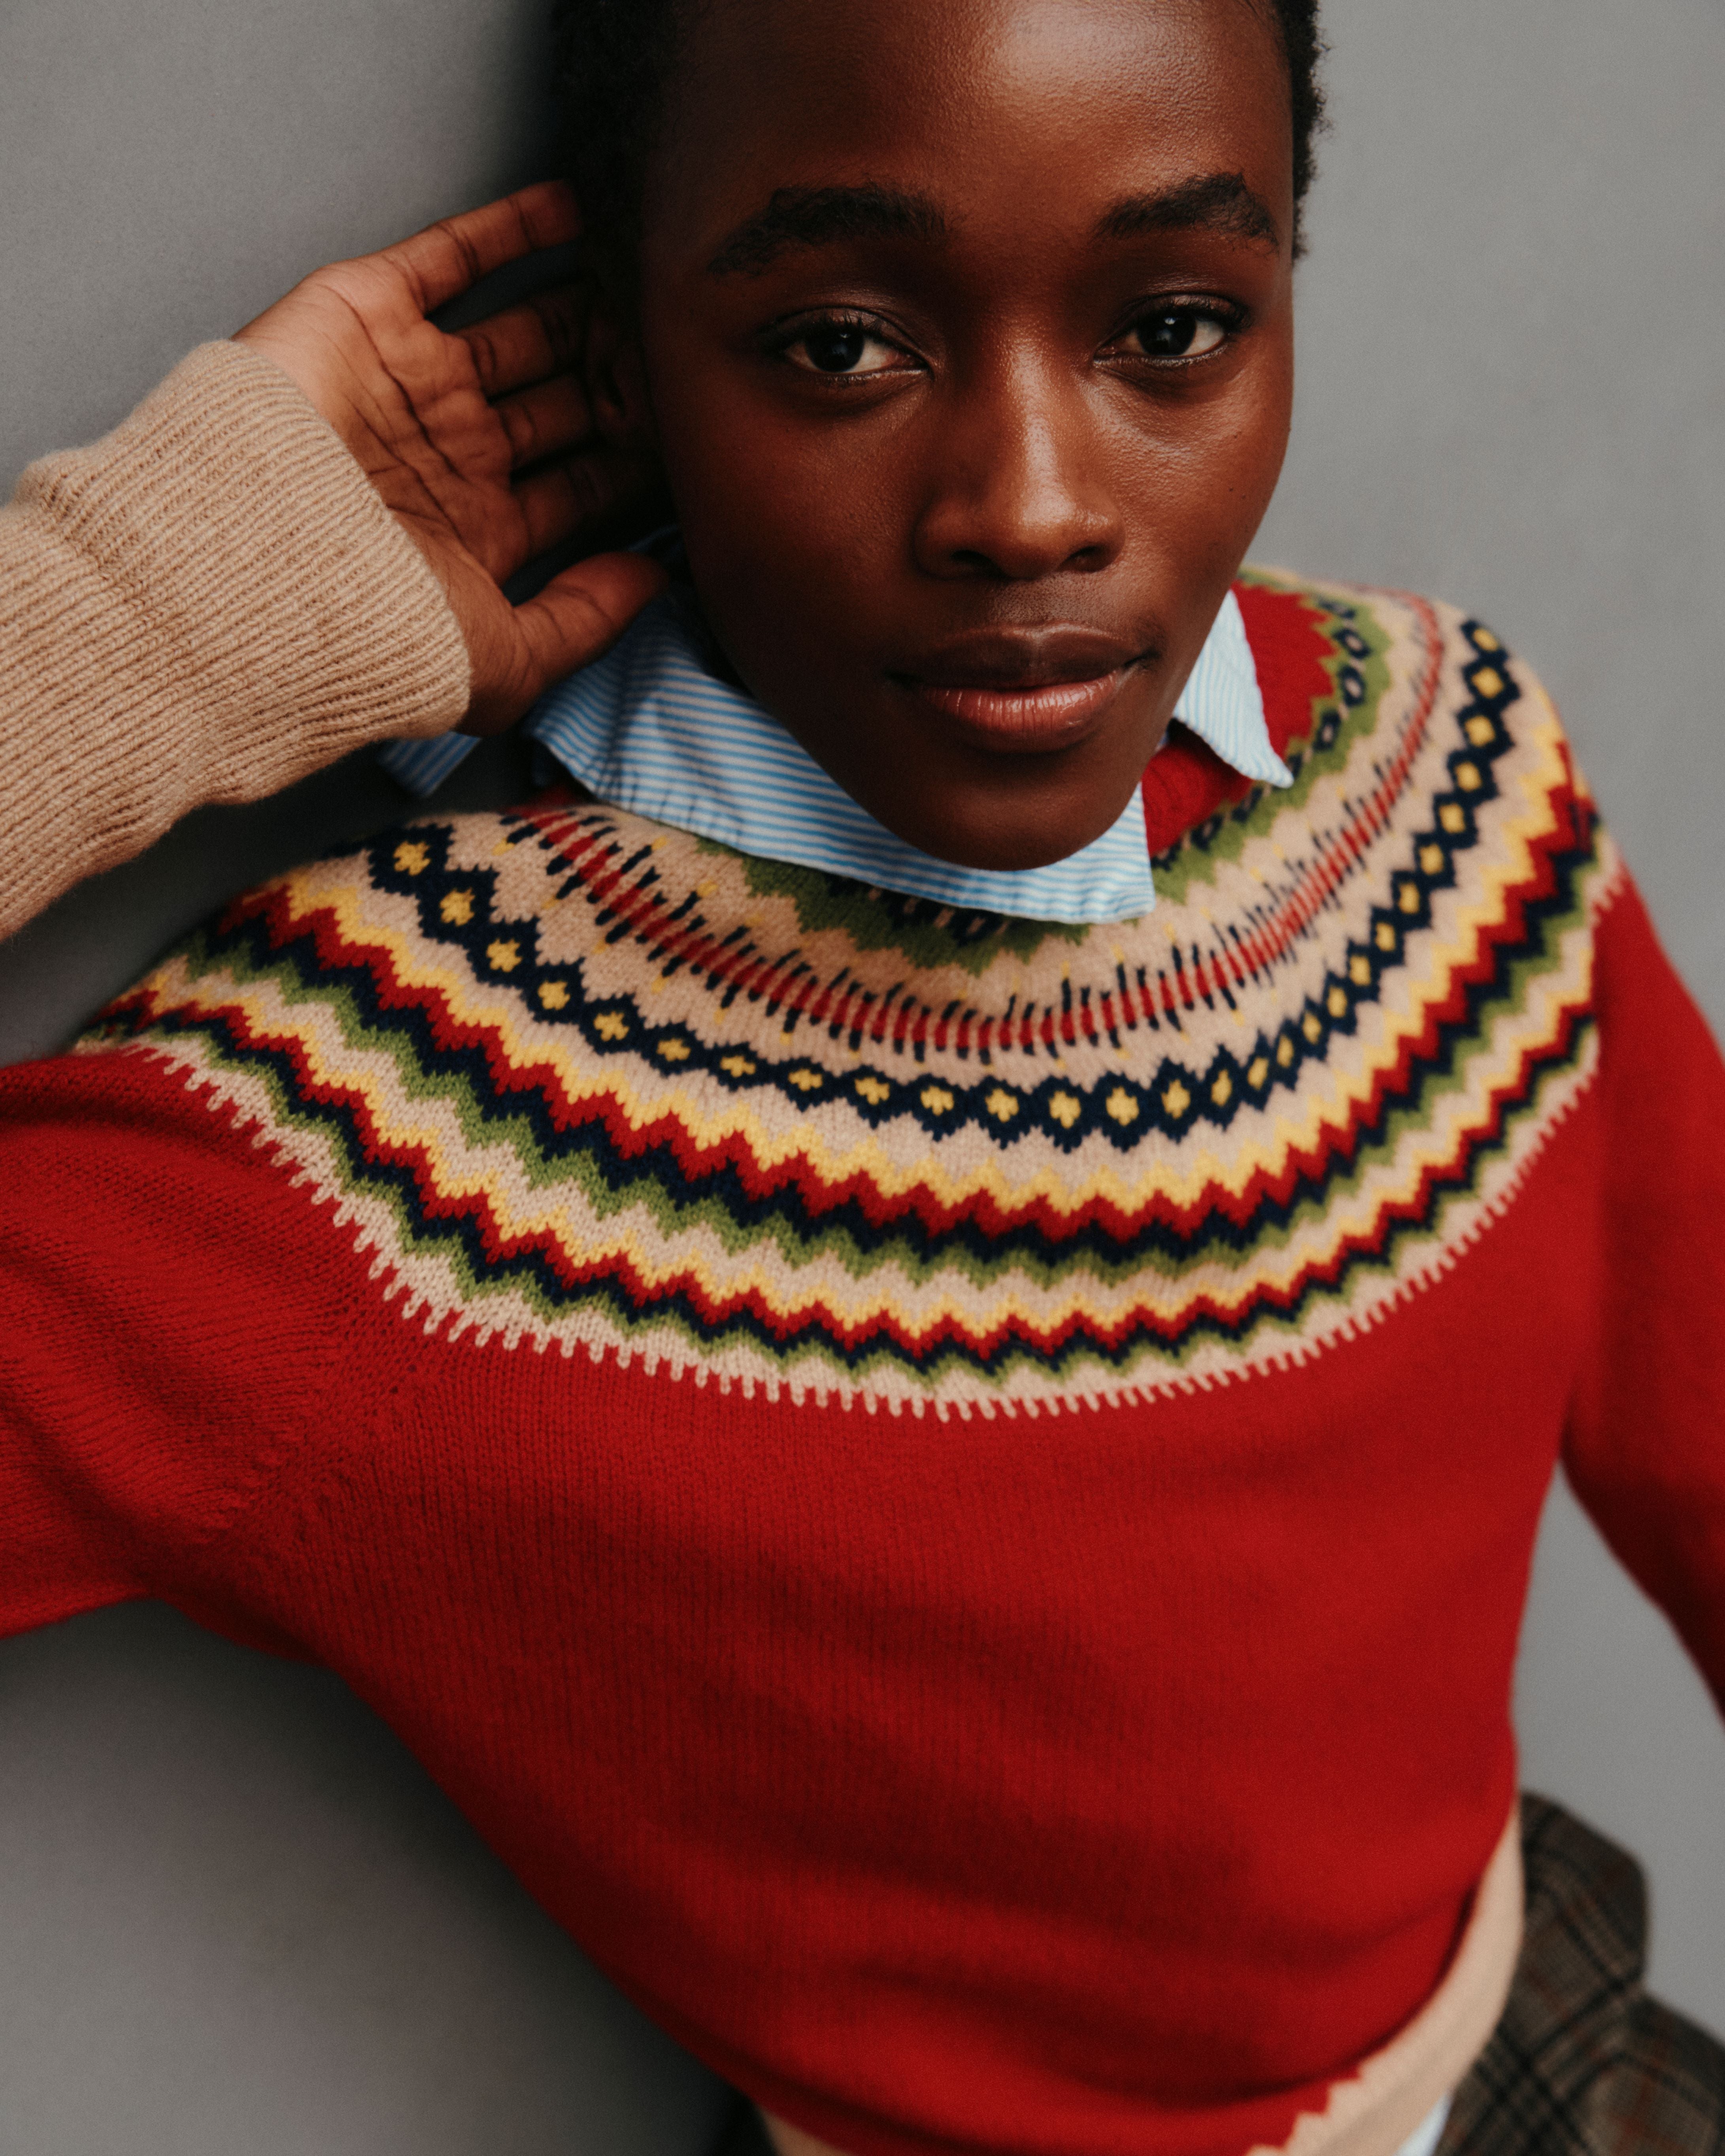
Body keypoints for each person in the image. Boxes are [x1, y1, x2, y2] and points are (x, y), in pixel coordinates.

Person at [1, 2, 1722, 2153]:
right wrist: (123, 642)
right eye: (841, 347)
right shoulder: (386, 1151)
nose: (1031, 505)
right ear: (624, 375)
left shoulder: (1455, 772)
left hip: (1575, 2051)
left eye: (1176, 323)